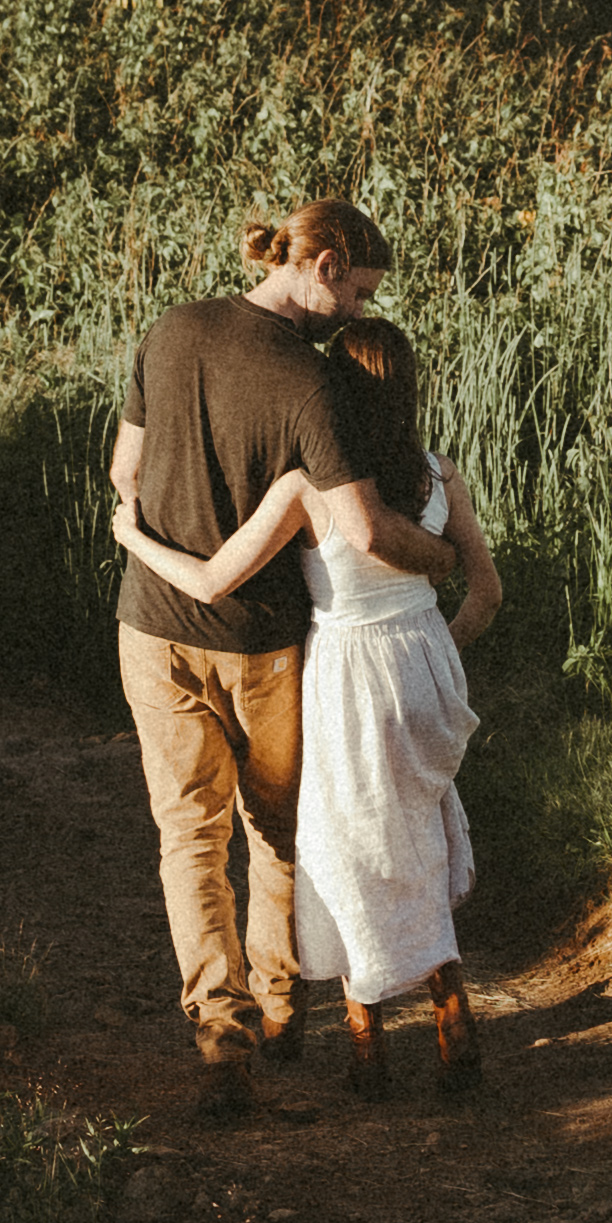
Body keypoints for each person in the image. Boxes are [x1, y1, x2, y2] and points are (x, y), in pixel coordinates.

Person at [120, 311, 496, 1094]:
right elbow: (486, 593)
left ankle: (365, 1043)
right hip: (423, 671)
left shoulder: (305, 490)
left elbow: (212, 580)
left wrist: (135, 539)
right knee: (417, 838)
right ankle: (452, 1015)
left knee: (344, 845)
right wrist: (436, 653)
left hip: (346, 679)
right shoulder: (440, 475)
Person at [107, 197, 390, 1111]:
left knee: (189, 836)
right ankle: (280, 1007)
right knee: (277, 829)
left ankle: (219, 1034)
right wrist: (447, 558)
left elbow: (123, 473)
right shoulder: (311, 384)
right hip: (262, 643)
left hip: (152, 628)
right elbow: (358, 526)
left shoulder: (171, 329)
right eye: (357, 293)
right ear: (324, 266)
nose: (357, 311)